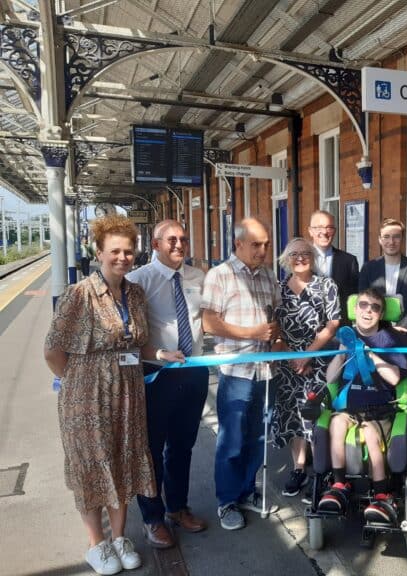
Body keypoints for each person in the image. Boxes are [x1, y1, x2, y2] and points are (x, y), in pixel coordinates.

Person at [44, 215, 182, 575]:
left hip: (129, 395)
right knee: (91, 467)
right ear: (99, 252)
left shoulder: (134, 292)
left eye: (128, 250)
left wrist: (160, 354)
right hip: (86, 398)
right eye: (115, 251)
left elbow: (139, 343)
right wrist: (77, 384)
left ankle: (119, 537)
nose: (123, 257)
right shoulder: (80, 295)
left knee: (123, 462)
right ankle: (97, 544)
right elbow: (53, 350)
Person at [125, 220, 208, 549]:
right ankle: (152, 517)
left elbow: (211, 319)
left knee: (183, 446)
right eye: (171, 239)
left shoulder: (197, 278)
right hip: (155, 374)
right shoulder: (137, 281)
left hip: (195, 372)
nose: (178, 244)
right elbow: (127, 336)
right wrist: (158, 353)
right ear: (156, 244)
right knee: (152, 451)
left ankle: (177, 507)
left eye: (183, 239)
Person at [201, 218, 280, 531]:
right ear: (238, 244)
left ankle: (247, 489)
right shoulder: (219, 276)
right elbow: (209, 322)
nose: (262, 251)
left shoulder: (269, 275)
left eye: (266, 245)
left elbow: (276, 317)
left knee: (258, 436)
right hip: (236, 372)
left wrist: (275, 337)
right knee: (232, 439)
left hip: (266, 372)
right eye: (256, 245)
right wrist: (252, 332)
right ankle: (227, 501)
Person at [317, 288, 407, 524]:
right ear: (355, 309)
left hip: (379, 409)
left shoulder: (391, 340)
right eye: (363, 305)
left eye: (375, 307)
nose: (368, 310)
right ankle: (339, 484)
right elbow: (330, 380)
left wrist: (373, 357)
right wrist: (341, 354)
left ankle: (382, 494)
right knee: (336, 422)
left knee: (369, 432)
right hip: (349, 408)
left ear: (381, 313)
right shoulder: (345, 337)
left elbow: (395, 379)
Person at [272, 237, 341, 497]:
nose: (300, 258)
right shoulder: (278, 288)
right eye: (294, 254)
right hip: (289, 363)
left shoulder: (326, 285)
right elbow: (275, 328)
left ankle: (323, 471)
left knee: (318, 413)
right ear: (286, 259)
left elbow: (332, 324)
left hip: (320, 359)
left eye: (305, 253)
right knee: (292, 416)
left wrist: (307, 355)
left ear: (313, 257)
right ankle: (299, 468)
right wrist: (293, 357)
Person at [358, 218, 407, 333]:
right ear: (380, 239)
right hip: (374, 333)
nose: (391, 242)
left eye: (396, 237)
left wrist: (396, 330)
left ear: (402, 239)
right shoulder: (368, 268)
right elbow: (363, 302)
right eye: (386, 237)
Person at [308, 210, 359, 322]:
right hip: (308, 328)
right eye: (319, 228)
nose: (325, 232)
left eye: (329, 227)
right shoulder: (301, 259)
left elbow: (353, 297)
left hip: (340, 328)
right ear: (310, 231)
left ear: (334, 231)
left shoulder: (349, 261)